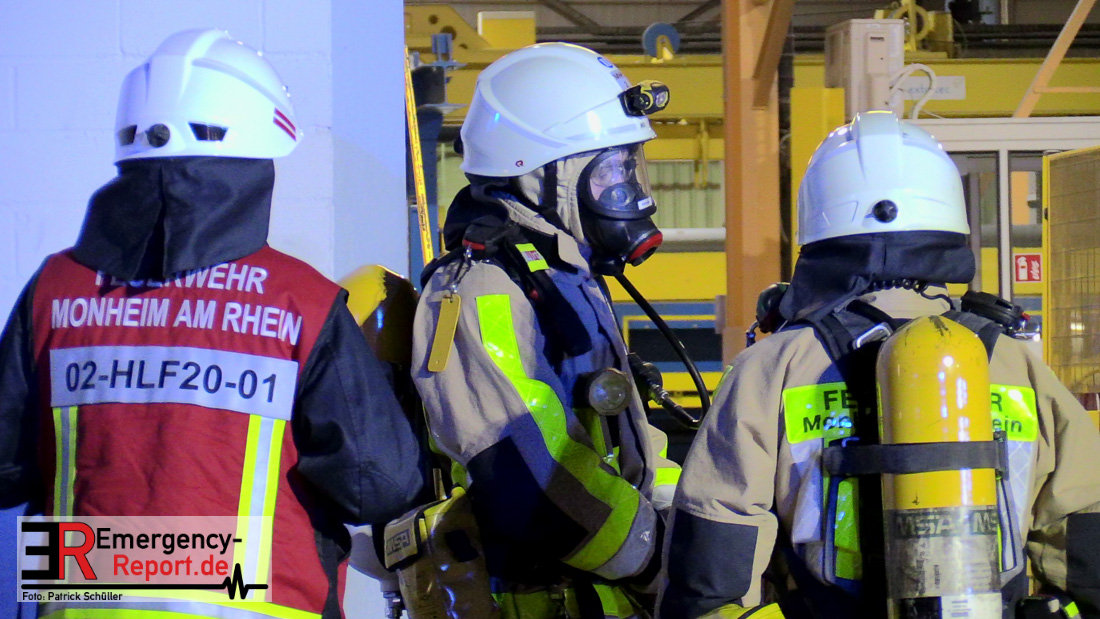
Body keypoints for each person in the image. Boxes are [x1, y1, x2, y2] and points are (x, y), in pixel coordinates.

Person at [0, 28, 424, 619]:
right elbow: (376, 485)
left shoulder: (54, 289)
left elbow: (6, 472)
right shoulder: (300, 301)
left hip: (76, 602)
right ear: (253, 160)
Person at [659, 111, 1100, 619]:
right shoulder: (1014, 362)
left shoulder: (772, 367)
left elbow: (712, 552)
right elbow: (1084, 528)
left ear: (817, 231)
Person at [411, 42, 674, 619]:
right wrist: (659, 557)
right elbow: (524, 469)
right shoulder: (482, 288)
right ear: (539, 174)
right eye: (609, 171)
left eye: (629, 167)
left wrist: (687, 513)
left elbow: (616, 447)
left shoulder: (562, 278)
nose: (628, 192)